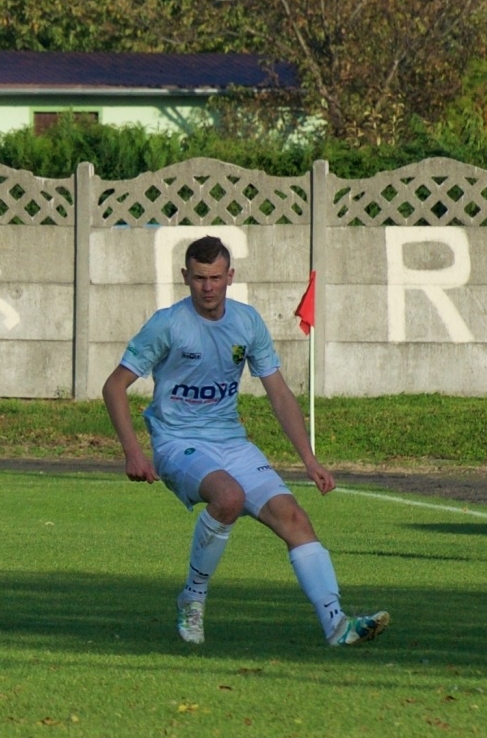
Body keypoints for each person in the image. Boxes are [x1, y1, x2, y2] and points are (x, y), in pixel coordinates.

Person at [102, 235, 389, 647]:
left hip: (231, 443)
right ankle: (193, 598)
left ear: (230, 276)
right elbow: (114, 387)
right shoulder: (167, 324)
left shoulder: (247, 322)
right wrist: (134, 452)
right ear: (185, 276)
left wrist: (308, 459)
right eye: (199, 277)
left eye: (216, 277)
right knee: (229, 498)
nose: (208, 287)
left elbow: (279, 393)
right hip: (177, 442)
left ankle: (337, 624)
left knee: (294, 518)